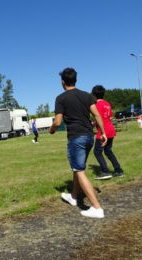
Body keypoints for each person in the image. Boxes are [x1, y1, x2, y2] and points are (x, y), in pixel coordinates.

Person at [49, 67, 108, 219]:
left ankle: (97, 208)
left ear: (63, 82)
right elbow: (97, 115)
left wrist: (52, 129)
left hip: (76, 138)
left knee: (79, 170)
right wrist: (103, 133)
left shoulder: (61, 98)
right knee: (77, 167)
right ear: (76, 80)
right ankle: (74, 197)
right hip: (89, 136)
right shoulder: (87, 96)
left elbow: (58, 121)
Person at [92, 85, 124, 180]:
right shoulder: (107, 104)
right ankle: (118, 170)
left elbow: (98, 118)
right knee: (108, 151)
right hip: (111, 129)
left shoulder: (96, 105)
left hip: (103, 131)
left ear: (94, 95)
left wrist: (93, 123)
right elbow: (109, 117)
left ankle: (105, 171)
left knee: (97, 152)